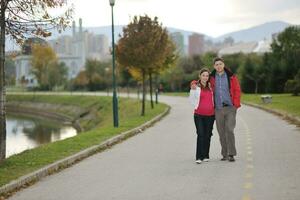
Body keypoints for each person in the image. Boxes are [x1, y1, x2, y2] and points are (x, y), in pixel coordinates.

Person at [210, 57, 241, 162]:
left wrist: (235, 104)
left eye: (220, 64)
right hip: (218, 109)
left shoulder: (231, 76)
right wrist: (193, 84)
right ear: (214, 66)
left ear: (224, 65)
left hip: (230, 108)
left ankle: (231, 153)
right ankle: (225, 154)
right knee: (221, 132)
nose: (218, 66)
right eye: (216, 64)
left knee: (229, 130)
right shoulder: (211, 77)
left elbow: (237, 90)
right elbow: (200, 81)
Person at [189, 68, 215, 164]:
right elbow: (191, 100)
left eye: (207, 75)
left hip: (211, 115)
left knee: (208, 135)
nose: (205, 77)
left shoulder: (211, 86)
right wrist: (192, 89)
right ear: (200, 76)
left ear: (209, 77)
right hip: (199, 115)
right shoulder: (195, 87)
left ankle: (205, 155)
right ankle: (199, 156)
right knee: (200, 134)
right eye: (203, 75)